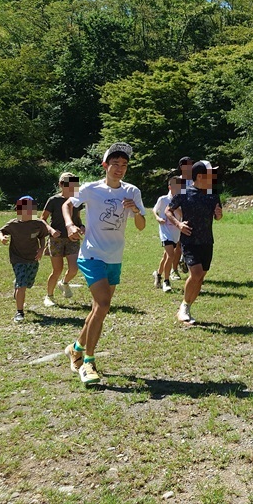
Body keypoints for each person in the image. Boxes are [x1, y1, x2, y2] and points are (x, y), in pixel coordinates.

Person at [62, 143, 147, 386]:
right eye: (115, 164)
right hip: (91, 255)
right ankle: (88, 363)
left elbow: (141, 226)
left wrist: (136, 211)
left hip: (114, 257)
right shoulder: (91, 188)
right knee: (103, 304)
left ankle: (76, 348)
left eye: (124, 165)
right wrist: (69, 225)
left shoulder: (132, 191)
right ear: (105, 165)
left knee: (98, 310)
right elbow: (67, 204)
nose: (120, 169)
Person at [167, 160, 223, 326]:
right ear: (199, 176)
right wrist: (178, 224)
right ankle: (184, 307)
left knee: (200, 277)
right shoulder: (184, 192)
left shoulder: (213, 194)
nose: (213, 176)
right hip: (189, 240)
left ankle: (187, 306)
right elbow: (168, 210)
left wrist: (219, 214)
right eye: (210, 173)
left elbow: (218, 217)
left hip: (207, 241)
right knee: (196, 274)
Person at [0, 196, 52, 323]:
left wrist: (41, 249)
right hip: (17, 258)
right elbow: (1, 230)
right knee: (22, 284)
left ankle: (17, 286)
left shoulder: (38, 224)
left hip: (33, 258)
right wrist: (2, 238)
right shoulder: (13, 224)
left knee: (28, 283)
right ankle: (19, 312)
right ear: (18, 210)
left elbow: (42, 236)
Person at [41, 173, 83, 307]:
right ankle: (49, 296)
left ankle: (64, 283)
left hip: (73, 238)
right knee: (57, 270)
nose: (73, 188)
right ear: (61, 185)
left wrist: (81, 227)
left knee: (74, 268)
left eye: (75, 185)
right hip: (56, 240)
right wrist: (51, 230)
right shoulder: (53, 200)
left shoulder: (77, 200)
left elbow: (77, 219)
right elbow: (42, 219)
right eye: (70, 185)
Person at [152, 170, 183, 293]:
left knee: (166, 256)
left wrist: (177, 207)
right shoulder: (163, 199)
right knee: (171, 255)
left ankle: (158, 274)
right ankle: (166, 281)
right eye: (176, 186)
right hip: (165, 231)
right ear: (170, 187)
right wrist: (158, 218)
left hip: (176, 232)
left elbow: (182, 215)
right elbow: (154, 210)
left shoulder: (182, 200)